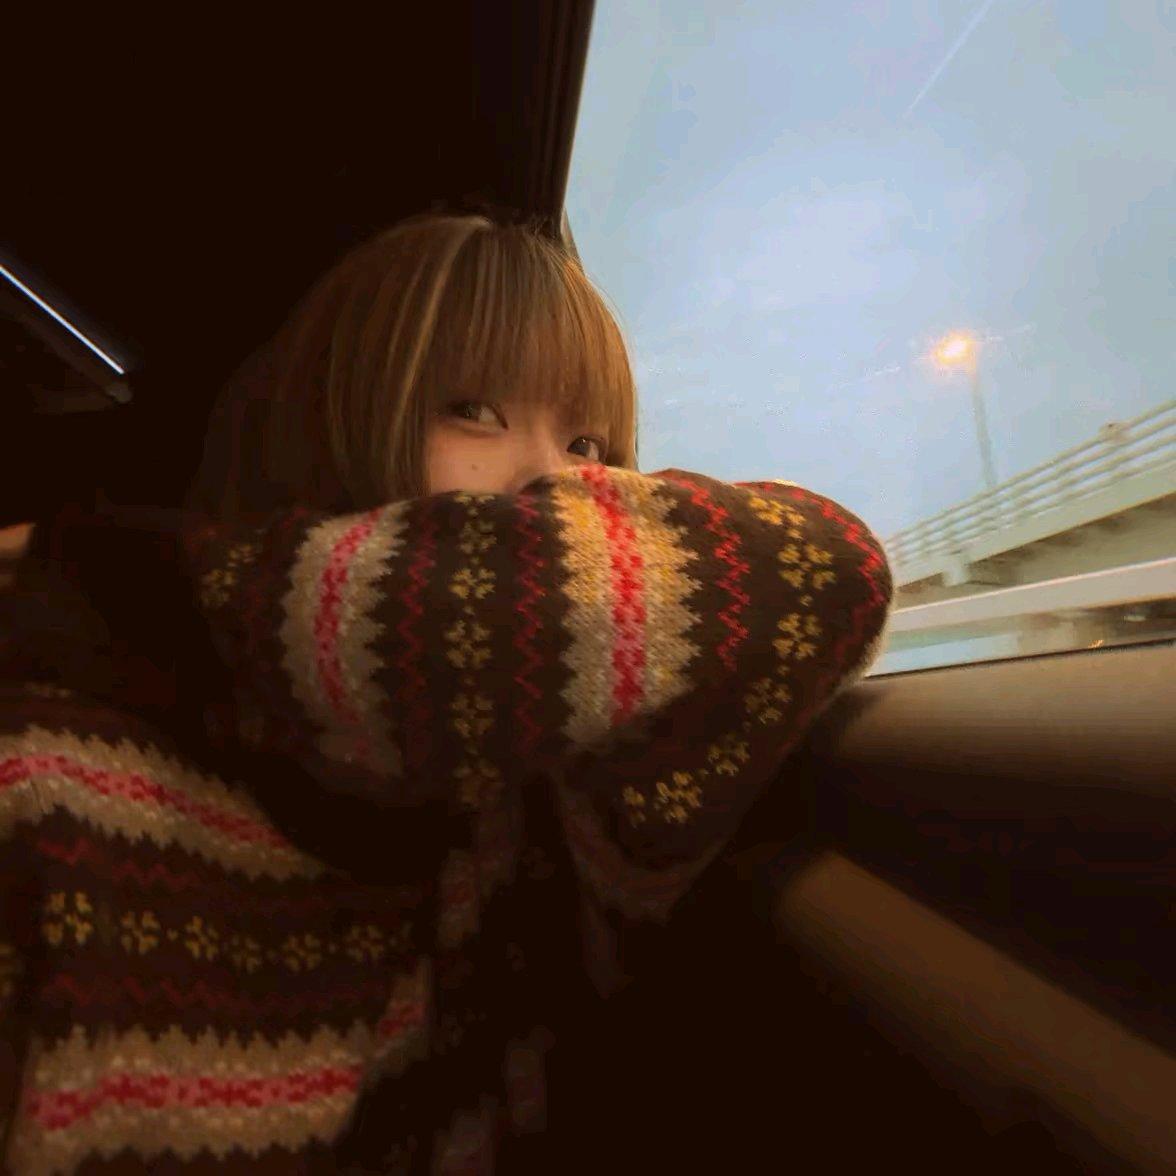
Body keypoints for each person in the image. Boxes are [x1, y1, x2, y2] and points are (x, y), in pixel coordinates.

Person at [0, 211, 893, 1173]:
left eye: (589, 442)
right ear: (334, 419)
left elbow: (830, 571)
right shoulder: (51, 783)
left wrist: (163, 575)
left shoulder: (538, 801)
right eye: (472, 409)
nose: (555, 482)